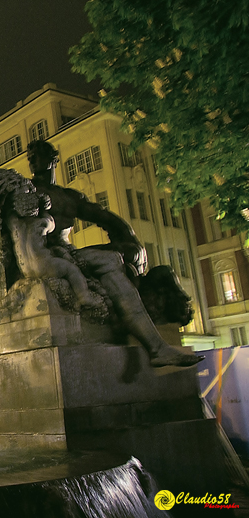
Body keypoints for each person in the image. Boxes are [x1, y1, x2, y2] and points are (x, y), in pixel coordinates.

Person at [26, 140, 200, 367]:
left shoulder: (68, 197)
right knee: (110, 260)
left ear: (53, 159)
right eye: (30, 157)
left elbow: (105, 218)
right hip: (43, 256)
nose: (32, 160)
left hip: (67, 253)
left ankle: (156, 348)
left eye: (38, 154)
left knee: (116, 259)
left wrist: (130, 242)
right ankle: (156, 348)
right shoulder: (27, 192)